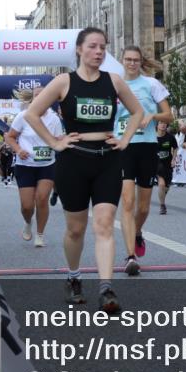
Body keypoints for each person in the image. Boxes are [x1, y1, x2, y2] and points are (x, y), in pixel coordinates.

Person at [25, 27, 144, 314]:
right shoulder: (64, 82)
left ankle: (106, 288)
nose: (99, 51)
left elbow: (138, 112)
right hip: (73, 162)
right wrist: (54, 142)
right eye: (92, 46)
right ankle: (74, 277)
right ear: (79, 49)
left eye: (103, 47)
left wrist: (125, 139)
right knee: (75, 229)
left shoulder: (113, 81)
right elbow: (32, 113)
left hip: (107, 160)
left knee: (104, 224)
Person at [115, 45, 172, 276]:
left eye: (135, 60)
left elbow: (169, 115)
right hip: (123, 147)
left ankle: (137, 232)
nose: (132, 63)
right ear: (122, 61)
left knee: (143, 207)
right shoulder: (115, 85)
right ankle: (130, 256)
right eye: (128, 59)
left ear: (140, 62)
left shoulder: (151, 84)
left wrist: (152, 115)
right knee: (127, 202)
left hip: (147, 146)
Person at [5, 85, 62, 247]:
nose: (41, 98)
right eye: (37, 95)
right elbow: (9, 137)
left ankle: (40, 235)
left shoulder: (54, 119)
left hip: (47, 165)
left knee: (42, 199)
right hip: (25, 165)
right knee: (27, 206)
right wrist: (18, 150)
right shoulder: (23, 116)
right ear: (32, 99)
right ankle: (28, 222)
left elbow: (58, 140)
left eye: (44, 95)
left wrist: (63, 140)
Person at [155, 122, 178, 214]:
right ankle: (162, 205)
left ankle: (162, 197)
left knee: (166, 187)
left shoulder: (170, 137)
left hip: (168, 164)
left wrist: (173, 159)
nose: (163, 125)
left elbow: (175, 148)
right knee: (161, 184)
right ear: (157, 125)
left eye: (165, 123)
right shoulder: (152, 137)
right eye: (161, 123)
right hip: (156, 164)